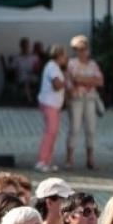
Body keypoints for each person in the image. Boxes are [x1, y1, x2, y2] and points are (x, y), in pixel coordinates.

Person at [64, 34, 105, 171]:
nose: (81, 52)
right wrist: (88, 80)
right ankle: (69, 159)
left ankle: (90, 159)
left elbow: (100, 81)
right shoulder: (72, 63)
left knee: (91, 129)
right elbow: (71, 80)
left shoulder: (92, 64)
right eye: (78, 49)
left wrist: (82, 79)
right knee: (74, 129)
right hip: (76, 99)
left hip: (90, 98)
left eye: (83, 48)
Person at [34, 44, 68, 172]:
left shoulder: (54, 67)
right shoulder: (52, 67)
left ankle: (47, 161)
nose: (66, 58)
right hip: (50, 104)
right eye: (64, 55)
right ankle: (42, 160)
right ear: (59, 55)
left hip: (53, 104)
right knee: (50, 132)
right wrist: (66, 82)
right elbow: (56, 85)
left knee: (53, 133)